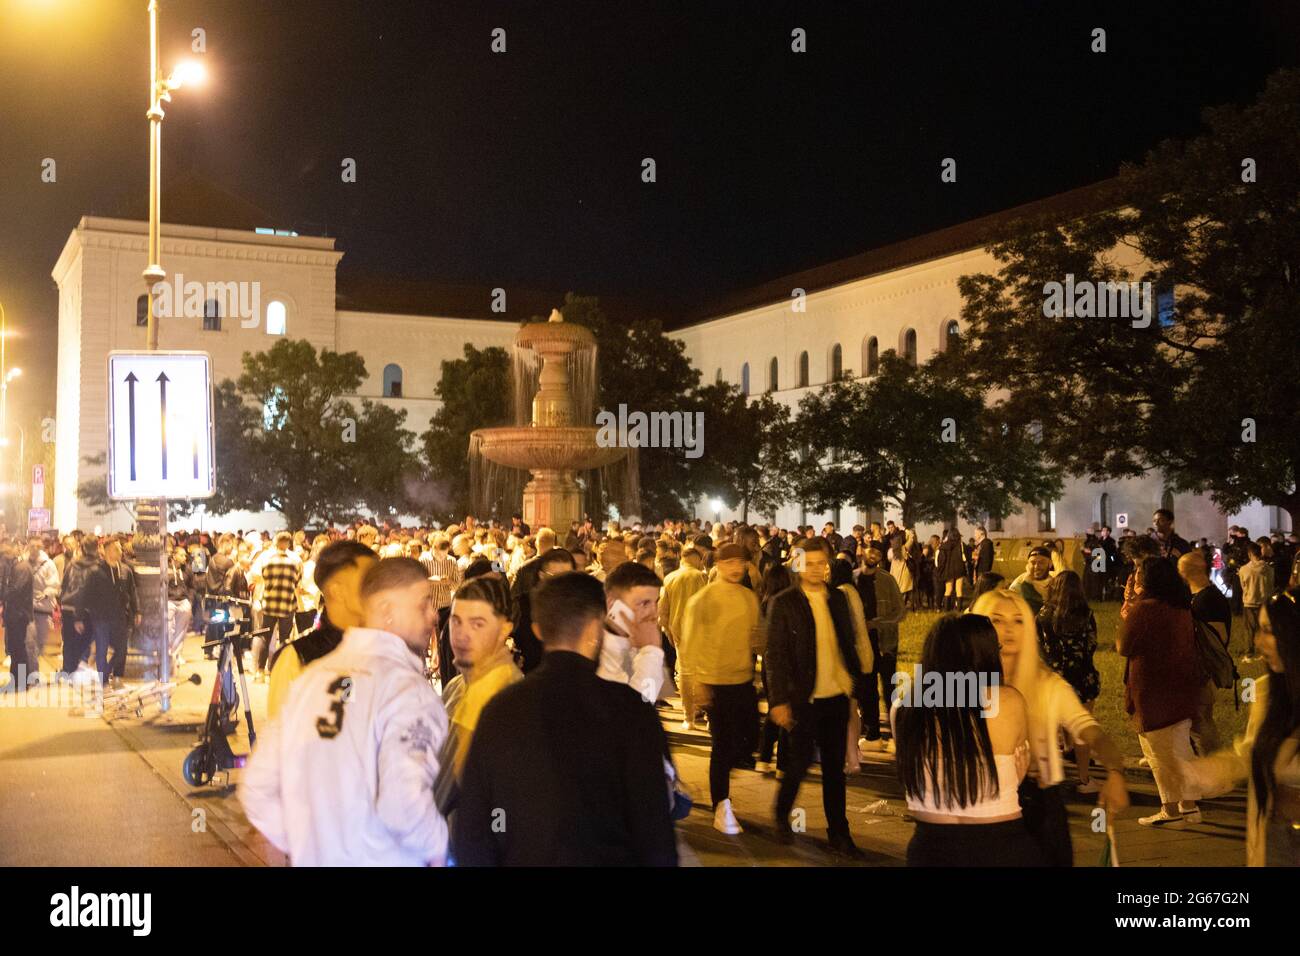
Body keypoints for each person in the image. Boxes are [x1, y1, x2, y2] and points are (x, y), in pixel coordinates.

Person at [451, 571, 678, 866]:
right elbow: (654, 828)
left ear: (538, 630)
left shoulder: (501, 708)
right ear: (595, 626)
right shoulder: (630, 710)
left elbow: (477, 825)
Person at [241, 557, 450, 866]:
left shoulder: (310, 679)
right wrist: (437, 848)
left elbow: (257, 787)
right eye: (422, 605)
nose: (433, 615)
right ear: (387, 611)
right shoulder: (407, 691)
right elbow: (403, 804)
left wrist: (308, 841)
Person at [974, 588, 1129, 863]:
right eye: (996, 620)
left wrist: (1114, 771)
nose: (1009, 629)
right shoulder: (963, 685)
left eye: (1018, 620)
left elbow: (1088, 728)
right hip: (980, 805)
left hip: (1040, 806)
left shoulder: (1047, 684)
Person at [892, 613, 1041, 866]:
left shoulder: (904, 708)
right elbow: (1015, 769)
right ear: (986, 654)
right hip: (999, 843)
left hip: (930, 847)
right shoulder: (1008, 703)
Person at [764, 536, 865, 859]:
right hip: (803, 698)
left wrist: (856, 685)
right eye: (809, 563)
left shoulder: (837, 598)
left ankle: (839, 832)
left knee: (835, 770)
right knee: (799, 762)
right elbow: (775, 656)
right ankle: (782, 815)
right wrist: (779, 700)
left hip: (835, 693)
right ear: (797, 564)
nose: (817, 569)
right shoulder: (785, 602)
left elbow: (846, 642)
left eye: (823, 563)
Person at [1190, 591, 1300, 865]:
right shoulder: (1268, 692)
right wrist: (1207, 770)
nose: (1258, 642)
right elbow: (1250, 750)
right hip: (1276, 842)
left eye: (1268, 631)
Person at [679, 542, 763, 834]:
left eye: (741, 562)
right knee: (722, 744)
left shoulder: (749, 598)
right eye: (729, 563)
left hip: (743, 680)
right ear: (717, 565)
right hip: (714, 682)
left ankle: (726, 775)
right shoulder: (701, 599)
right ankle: (721, 804)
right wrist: (695, 684)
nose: (736, 568)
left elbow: (755, 637)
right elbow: (688, 644)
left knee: (752, 739)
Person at [1118, 556, 1204, 828]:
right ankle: (1189, 807)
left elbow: (1123, 645)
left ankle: (1170, 810)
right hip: (1181, 686)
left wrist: (1130, 608)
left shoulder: (1145, 609)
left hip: (1152, 688)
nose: (1136, 575)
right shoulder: (1181, 607)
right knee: (1181, 749)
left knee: (1157, 753)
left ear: (1149, 579)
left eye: (1139, 572)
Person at [435, 576, 522, 817]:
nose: (462, 635)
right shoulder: (458, 684)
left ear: (505, 628)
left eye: (477, 624)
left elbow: (442, 792)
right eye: (456, 622)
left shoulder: (495, 690)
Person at [266, 541, 378, 721]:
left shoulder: (385, 647)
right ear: (337, 591)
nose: (378, 589)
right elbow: (284, 737)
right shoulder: (297, 658)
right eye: (368, 580)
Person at [1035, 572, 1104, 792]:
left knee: (1050, 726)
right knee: (1081, 729)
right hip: (1083, 677)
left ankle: (1047, 774)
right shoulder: (1085, 614)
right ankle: (1084, 778)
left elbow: (1038, 647)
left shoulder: (1043, 615)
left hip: (1054, 678)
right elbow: (1092, 644)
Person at [853, 540, 905, 753]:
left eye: (877, 552)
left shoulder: (887, 580)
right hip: (861, 645)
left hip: (885, 644)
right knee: (867, 690)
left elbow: (900, 612)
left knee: (889, 689)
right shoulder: (852, 578)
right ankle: (873, 734)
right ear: (863, 552)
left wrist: (875, 623)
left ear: (882, 557)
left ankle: (898, 735)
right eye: (870, 550)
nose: (873, 554)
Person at [1178, 550, 1231, 755]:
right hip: (1194, 668)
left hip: (1202, 670)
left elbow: (1219, 638)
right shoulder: (1197, 596)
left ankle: (1213, 762)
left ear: (1187, 570)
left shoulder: (1209, 599)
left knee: (1201, 719)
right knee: (1194, 719)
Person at [598, 560, 665, 704]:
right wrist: (652, 653)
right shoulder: (599, 651)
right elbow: (638, 709)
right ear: (612, 604)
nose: (654, 613)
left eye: (656, 602)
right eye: (644, 603)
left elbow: (650, 698)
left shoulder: (639, 643)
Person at [249, 531, 302, 683]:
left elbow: (260, 577)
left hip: (269, 605)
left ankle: (260, 672)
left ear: (276, 542)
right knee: (284, 641)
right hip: (287, 606)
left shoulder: (266, 560)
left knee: (266, 638)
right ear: (288, 544)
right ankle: (275, 671)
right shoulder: (295, 561)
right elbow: (298, 581)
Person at [102, 539, 140, 688]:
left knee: (122, 649)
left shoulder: (125, 570)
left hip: (121, 616)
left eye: (120, 549)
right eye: (116, 549)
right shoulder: (99, 569)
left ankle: (117, 675)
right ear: (107, 551)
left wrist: (137, 611)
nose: (120, 552)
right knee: (102, 649)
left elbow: (133, 591)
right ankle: (103, 677)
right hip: (103, 616)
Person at [0, 539, 36, 690]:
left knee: (18, 649)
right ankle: (18, 681)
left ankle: (20, 682)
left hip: (19, 615)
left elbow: (15, 591)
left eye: (5, 554)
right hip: (16, 614)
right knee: (16, 649)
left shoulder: (21, 568)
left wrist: (3, 594)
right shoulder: (17, 567)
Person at [26, 537, 59, 684]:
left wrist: (45, 594)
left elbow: (54, 585)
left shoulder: (48, 565)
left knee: (39, 643)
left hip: (43, 610)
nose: (33, 549)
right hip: (28, 609)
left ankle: (31, 673)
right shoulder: (24, 562)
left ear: (40, 547)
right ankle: (32, 674)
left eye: (36, 546)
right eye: (31, 546)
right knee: (29, 642)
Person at [1239, 543, 1275, 664]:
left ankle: (1249, 654)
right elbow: (1271, 585)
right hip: (1265, 602)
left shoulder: (1244, 569)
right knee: (1263, 629)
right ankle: (1264, 653)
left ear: (1250, 554)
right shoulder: (1269, 569)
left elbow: (1243, 586)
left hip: (1249, 602)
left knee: (1249, 629)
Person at [1011, 546, 1053, 616]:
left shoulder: (1056, 583)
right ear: (1027, 564)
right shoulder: (1020, 584)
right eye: (1033, 562)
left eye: (1042, 562)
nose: (1036, 566)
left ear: (1050, 564)